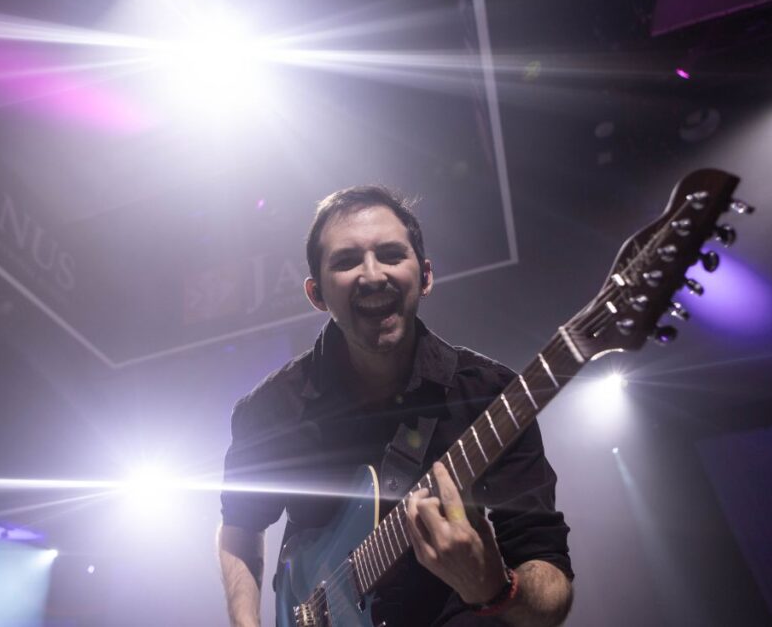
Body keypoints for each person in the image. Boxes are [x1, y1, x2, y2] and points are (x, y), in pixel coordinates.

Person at [218, 186, 573, 626]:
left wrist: (496, 588)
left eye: (390, 254)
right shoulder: (272, 408)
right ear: (317, 294)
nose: (372, 275)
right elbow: (239, 527)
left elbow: (551, 592)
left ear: (425, 276)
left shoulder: (493, 396)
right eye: (346, 261)